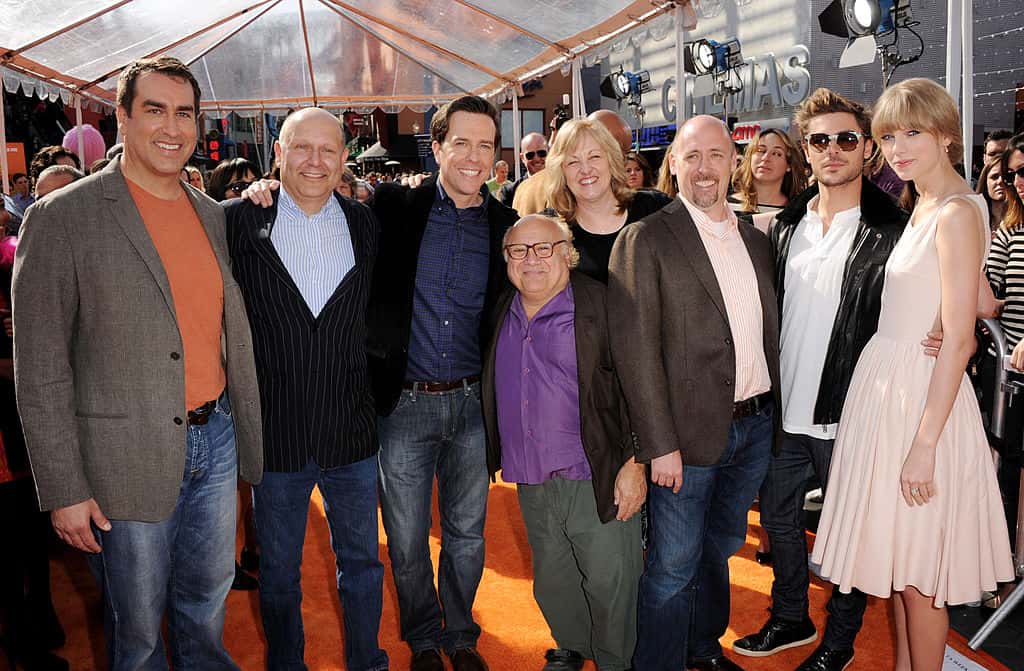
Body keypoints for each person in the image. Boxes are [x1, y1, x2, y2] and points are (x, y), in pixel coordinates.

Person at [12, 55, 263, 670]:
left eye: (184, 113)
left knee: (207, 610)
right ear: (121, 118)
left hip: (216, 439)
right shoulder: (62, 216)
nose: (171, 128)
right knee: (139, 634)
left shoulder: (211, 214)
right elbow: (40, 367)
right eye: (154, 110)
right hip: (121, 462)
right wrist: (64, 488)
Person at [810, 78, 1014, 671]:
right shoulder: (924, 201)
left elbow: (961, 339)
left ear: (948, 137)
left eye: (913, 134)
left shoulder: (952, 210)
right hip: (892, 388)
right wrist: (950, 315)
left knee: (920, 569)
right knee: (901, 565)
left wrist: (925, 445)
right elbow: (983, 302)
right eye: (888, 136)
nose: (897, 148)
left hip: (924, 404)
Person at [732, 88, 909, 671]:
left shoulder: (893, 230)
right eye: (820, 140)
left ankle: (839, 644)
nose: (833, 150)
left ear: (867, 151)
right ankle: (790, 616)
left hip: (851, 410)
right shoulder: (784, 224)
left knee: (848, 533)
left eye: (846, 139)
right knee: (779, 520)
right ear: (805, 151)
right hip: (785, 408)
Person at [608, 115, 780, 671]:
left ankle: (702, 652)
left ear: (735, 161)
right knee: (672, 567)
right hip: (683, 439)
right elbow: (636, 353)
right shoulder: (646, 239)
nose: (704, 168)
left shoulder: (756, 240)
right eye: (692, 157)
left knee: (718, 551)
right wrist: (658, 443)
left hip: (752, 428)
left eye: (716, 155)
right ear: (673, 166)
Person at [225, 107, 388, 671]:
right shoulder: (239, 223)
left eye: (327, 150)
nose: (314, 161)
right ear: (278, 152)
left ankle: (367, 661)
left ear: (345, 159)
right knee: (277, 575)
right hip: (276, 436)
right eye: (301, 148)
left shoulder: (365, 223)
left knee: (364, 565)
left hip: (351, 432)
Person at [370, 96, 517, 671]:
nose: (474, 156)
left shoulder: (507, 227)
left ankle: (460, 634)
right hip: (404, 404)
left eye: (486, 145)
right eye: (462, 142)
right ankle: (424, 636)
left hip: (473, 407)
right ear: (436, 147)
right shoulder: (393, 207)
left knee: (467, 535)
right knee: (405, 541)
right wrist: (265, 192)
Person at [482, 214, 645, 671]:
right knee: (553, 578)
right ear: (507, 259)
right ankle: (572, 646)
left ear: (567, 252)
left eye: (544, 248)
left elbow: (640, 386)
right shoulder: (502, 310)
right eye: (518, 250)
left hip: (595, 471)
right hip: (529, 474)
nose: (531, 259)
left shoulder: (603, 305)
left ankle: (617, 662)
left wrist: (636, 462)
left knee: (610, 581)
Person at [543, 118, 670, 284]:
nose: (586, 169)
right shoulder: (549, 231)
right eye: (573, 162)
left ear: (611, 160)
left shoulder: (655, 209)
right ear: (561, 172)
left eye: (594, 157)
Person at [984, 132, 1024, 562]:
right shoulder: (1010, 232)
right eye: (1014, 174)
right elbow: (987, 290)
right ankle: (1005, 566)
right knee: (1006, 470)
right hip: (1009, 376)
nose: (1019, 181)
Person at [729, 129, 808, 217]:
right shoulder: (725, 206)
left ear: (789, 165)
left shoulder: (799, 212)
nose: (766, 158)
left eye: (776, 153)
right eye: (760, 150)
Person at [501, 132, 548, 206]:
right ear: (522, 158)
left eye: (541, 153)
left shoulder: (560, 185)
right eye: (530, 155)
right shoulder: (511, 191)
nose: (537, 158)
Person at [977, 159, 1008, 232]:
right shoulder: (974, 217)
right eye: (995, 177)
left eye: (1005, 175)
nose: (1000, 181)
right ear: (985, 182)